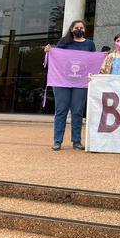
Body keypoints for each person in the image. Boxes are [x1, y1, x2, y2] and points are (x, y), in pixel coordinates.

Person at [44, 20, 95, 151]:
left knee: (77, 111)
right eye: (76, 27)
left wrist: (101, 57)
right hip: (62, 82)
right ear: (72, 29)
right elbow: (56, 58)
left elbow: (92, 61)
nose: (79, 29)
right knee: (61, 111)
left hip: (80, 82)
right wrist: (49, 51)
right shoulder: (64, 42)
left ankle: (77, 141)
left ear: (85, 29)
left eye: (81, 27)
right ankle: (57, 141)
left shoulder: (90, 44)